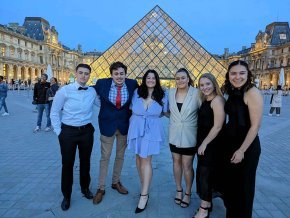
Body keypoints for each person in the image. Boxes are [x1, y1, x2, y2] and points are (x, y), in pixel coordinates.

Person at [50, 63, 100, 211]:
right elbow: (54, 112)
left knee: (86, 162)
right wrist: (59, 132)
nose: (84, 76)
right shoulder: (64, 91)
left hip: (86, 131)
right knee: (67, 164)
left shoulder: (92, 92)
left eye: (86, 73)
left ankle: (85, 188)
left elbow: (102, 105)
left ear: (89, 75)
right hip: (68, 132)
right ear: (76, 74)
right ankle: (67, 195)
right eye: (81, 73)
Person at [92, 61, 138, 205]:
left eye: (122, 73)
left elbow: (147, 92)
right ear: (111, 74)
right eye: (116, 74)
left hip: (124, 126)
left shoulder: (132, 84)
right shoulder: (101, 83)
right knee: (105, 157)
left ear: (126, 74)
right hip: (107, 126)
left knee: (120, 156)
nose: (119, 76)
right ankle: (101, 188)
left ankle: (115, 182)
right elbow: (87, 92)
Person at [222, 60, 263, 218]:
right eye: (233, 73)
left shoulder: (252, 93)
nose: (237, 76)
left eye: (241, 73)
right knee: (232, 187)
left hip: (246, 147)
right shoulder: (232, 91)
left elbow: (255, 126)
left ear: (248, 74)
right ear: (228, 75)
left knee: (244, 188)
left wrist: (241, 150)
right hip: (231, 144)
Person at [127, 69, 167, 213]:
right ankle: (144, 184)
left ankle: (144, 195)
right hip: (137, 128)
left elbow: (165, 112)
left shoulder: (163, 94)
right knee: (138, 159)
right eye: (148, 77)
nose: (151, 80)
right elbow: (131, 108)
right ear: (144, 79)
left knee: (146, 160)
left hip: (152, 130)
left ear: (157, 80)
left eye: (153, 78)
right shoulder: (137, 93)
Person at [193, 73, 225, 218]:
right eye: (202, 85)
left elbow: (218, 126)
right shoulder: (206, 99)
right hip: (204, 143)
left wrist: (204, 144)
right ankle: (208, 202)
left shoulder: (217, 100)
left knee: (205, 175)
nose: (204, 87)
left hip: (211, 145)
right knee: (204, 174)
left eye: (207, 84)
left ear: (214, 84)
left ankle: (204, 209)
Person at [168, 68, 199, 208]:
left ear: (188, 79)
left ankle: (187, 192)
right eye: (177, 78)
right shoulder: (170, 93)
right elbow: (169, 112)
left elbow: (204, 113)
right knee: (175, 162)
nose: (180, 80)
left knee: (187, 165)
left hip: (189, 135)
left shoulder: (197, 93)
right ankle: (179, 189)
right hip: (174, 134)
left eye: (183, 78)